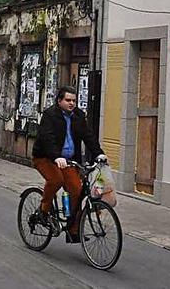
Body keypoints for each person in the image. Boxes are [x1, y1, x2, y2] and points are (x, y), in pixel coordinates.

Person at [32, 85, 105, 243]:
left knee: (77, 192)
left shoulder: (78, 116)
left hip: (69, 161)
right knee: (56, 180)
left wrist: (99, 153)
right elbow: (47, 138)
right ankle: (43, 210)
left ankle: (73, 231)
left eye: (74, 100)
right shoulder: (50, 115)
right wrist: (56, 156)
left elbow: (88, 136)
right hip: (45, 158)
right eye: (68, 100)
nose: (71, 103)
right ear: (59, 101)